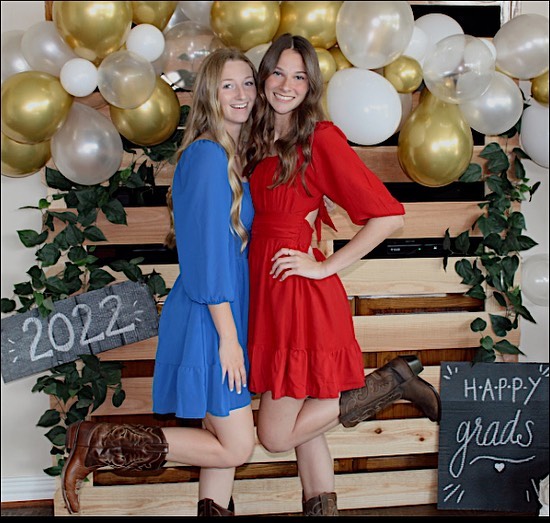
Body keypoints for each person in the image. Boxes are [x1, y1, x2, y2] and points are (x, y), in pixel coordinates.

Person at [243, 33, 441, 516]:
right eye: (278, 72)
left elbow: (388, 217)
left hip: (298, 297)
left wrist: (324, 265)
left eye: (299, 76)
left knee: (275, 435)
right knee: (304, 431)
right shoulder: (256, 139)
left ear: (311, 86)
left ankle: (391, 381)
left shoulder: (320, 139)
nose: (286, 85)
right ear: (264, 76)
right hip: (267, 293)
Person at [60, 48, 258, 517]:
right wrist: (229, 338)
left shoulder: (226, 156)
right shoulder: (208, 157)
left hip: (219, 312)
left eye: (248, 83)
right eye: (228, 85)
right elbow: (208, 258)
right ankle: (98, 442)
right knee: (237, 446)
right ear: (209, 94)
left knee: (218, 439)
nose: (242, 94)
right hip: (212, 318)